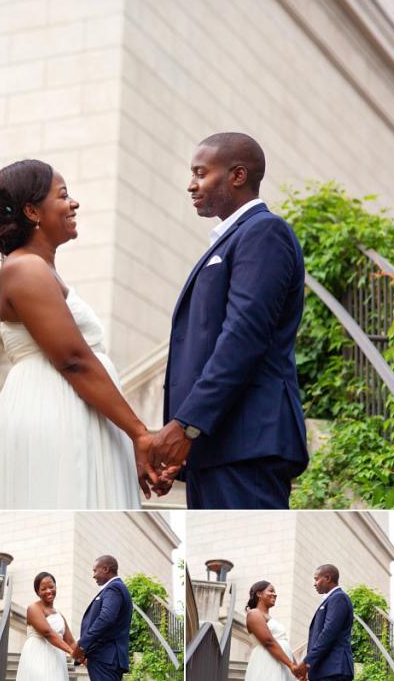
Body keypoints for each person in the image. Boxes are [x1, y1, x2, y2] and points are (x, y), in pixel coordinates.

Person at [0, 159, 160, 509]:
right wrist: (139, 432)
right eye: (63, 195)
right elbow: (73, 360)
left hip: (76, 411)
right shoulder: (24, 268)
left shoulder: (43, 270)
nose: (73, 203)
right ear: (32, 211)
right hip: (52, 410)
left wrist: (122, 436)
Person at [152, 132, 308, 509]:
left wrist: (187, 424)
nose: (191, 185)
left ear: (237, 176)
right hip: (217, 446)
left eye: (201, 173)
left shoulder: (263, 232)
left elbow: (244, 336)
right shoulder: (230, 239)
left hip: (247, 444)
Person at [73, 555, 132, 681]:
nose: (93, 575)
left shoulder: (114, 588)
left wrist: (82, 645)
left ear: (105, 569)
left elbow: (106, 618)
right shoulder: (115, 588)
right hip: (106, 658)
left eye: (95, 570)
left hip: (106, 658)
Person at [297, 564, 354, 681]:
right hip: (325, 670)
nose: (314, 583)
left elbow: (328, 632)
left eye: (316, 579)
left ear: (327, 578)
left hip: (334, 669)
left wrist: (307, 662)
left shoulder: (338, 598)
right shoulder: (331, 599)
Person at [16, 572, 76, 680]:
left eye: (51, 587)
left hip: (57, 659)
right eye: (43, 589)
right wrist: (72, 652)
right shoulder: (33, 608)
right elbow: (48, 633)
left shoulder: (59, 614)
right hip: (37, 655)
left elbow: (71, 641)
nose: (49, 591)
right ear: (38, 592)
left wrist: (84, 658)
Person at [245, 580, 303, 680]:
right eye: (271, 591)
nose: (275, 594)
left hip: (281, 664)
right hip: (267, 662)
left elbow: (284, 644)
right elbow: (269, 642)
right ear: (259, 593)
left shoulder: (271, 619)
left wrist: (297, 669)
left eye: (275, 592)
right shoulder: (254, 614)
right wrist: (291, 665)